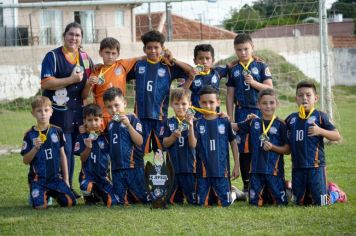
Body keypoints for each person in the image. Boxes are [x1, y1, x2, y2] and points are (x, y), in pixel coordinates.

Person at [41, 22, 93, 198]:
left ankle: (67, 187)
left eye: (78, 35)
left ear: (81, 38)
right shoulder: (53, 56)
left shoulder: (85, 58)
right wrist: (70, 79)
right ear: (64, 35)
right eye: (71, 34)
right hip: (57, 112)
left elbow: (85, 91)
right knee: (59, 150)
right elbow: (46, 83)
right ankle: (52, 187)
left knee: (72, 151)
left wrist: (90, 85)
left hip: (77, 112)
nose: (74, 38)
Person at [127, 30, 192, 154]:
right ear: (144, 49)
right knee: (138, 152)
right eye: (149, 48)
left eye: (156, 47)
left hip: (160, 118)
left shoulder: (168, 66)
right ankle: (141, 173)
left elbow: (191, 71)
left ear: (162, 48)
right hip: (140, 117)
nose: (153, 51)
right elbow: (120, 72)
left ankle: (164, 173)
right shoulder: (138, 65)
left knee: (161, 152)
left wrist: (174, 59)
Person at [285, 80, 346, 206]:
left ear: (315, 98)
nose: (304, 98)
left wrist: (320, 131)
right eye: (300, 95)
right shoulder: (291, 119)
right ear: (296, 98)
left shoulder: (320, 116)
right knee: (299, 202)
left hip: (316, 167)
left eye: (308, 95)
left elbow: (337, 136)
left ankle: (335, 193)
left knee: (321, 202)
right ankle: (290, 186)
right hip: (297, 167)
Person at [226, 33, 273, 194]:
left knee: (260, 146)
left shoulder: (261, 65)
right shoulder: (233, 69)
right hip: (241, 112)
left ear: (252, 47)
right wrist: (230, 118)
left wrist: (253, 83)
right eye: (239, 50)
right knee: (243, 149)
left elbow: (269, 89)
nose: (243, 53)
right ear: (235, 50)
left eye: (246, 49)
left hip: (259, 111)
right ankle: (247, 186)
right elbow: (230, 95)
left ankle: (264, 182)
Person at [232, 88, 289, 206]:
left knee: (280, 203)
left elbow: (288, 150)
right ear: (258, 105)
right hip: (256, 172)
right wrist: (221, 119)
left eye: (271, 103)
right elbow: (235, 126)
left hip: (274, 172)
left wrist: (273, 147)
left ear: (277, 104)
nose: (268, 106)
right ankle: (240, 194)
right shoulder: (253, 122)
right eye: (264, 103)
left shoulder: (281, 124)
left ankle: (288, 188)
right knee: (254, 203)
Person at [21, 96, 76, 208]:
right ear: (33, 113)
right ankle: (37, 193)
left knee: (70, 202)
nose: (43, 114)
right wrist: (35, 148)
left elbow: (62, 156)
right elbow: (25, 161)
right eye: (39, 111)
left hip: (55, 178)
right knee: (40, 206)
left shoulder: (58, 131)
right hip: (38, 179)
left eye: (46, 110)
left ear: (51, 111)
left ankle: (52, 193)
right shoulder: (29, 135)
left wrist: (66, 180)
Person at [82, 37, 141, 130]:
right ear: (100, 53)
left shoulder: (122, 64)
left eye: (113, 53)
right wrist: (89, 84)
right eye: (107, 52)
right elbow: (84, 95)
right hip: (100, 117)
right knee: (102, 143)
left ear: (118, 54)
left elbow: (143, 57)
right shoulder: (96, 71)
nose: (110, 56)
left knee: (118, 140)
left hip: (118, 114)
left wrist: (163, 53)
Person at [194, 86, 240, 207]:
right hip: (203, 172)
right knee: (202, 204)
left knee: (224, 204)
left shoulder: (224, 121)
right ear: (199, 103)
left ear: (218, 102)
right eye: (204, 102)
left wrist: (236, 165)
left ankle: (234, 194)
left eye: (211, 102)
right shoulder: (196, 123)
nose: (208, 106)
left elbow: (233, 142)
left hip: (221, 172)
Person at [103, 87, 149, 205]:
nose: (113, 110)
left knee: (142, 199)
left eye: (116, 105)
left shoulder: (132, 119)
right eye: (109, 107)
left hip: (133, 167)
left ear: (124, 103)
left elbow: (139, 141)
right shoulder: (110, 124)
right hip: (117, 169)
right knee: (120, 201)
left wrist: (128, 126)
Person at [73, 104, 117, 206]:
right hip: (87, 177)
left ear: (101, 120)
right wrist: (88, 147)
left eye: (96, 119)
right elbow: (83, 159)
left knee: (112, 202)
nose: (93, 123)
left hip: (103, 177)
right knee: (86, 187)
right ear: (84, 121)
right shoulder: (82, 137)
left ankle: (99, 194)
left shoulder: (106, 137)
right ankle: (88, 197)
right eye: (90, 120)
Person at [161, 88, 197, 205]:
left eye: (183, 104)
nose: (180, 107)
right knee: (170, 200)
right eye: (176, 104)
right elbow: (165, 143)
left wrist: (190, 127)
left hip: (190, 169)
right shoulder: (167, 122)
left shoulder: (196, 122)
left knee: (194, 201)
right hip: (173, 170)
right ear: (171, 104)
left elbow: (193, 144)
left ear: (190, 104)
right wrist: (173, 137)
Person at [183, 44, 228, 117]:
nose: (204, 61)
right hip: (197, 115)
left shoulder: (217, 72)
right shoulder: (191, 75)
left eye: (207, 58)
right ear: (195, 61)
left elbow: (231, 66)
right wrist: (190, 79)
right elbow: (182, 92)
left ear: (213, 60)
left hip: (213, 115)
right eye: (200, 58)